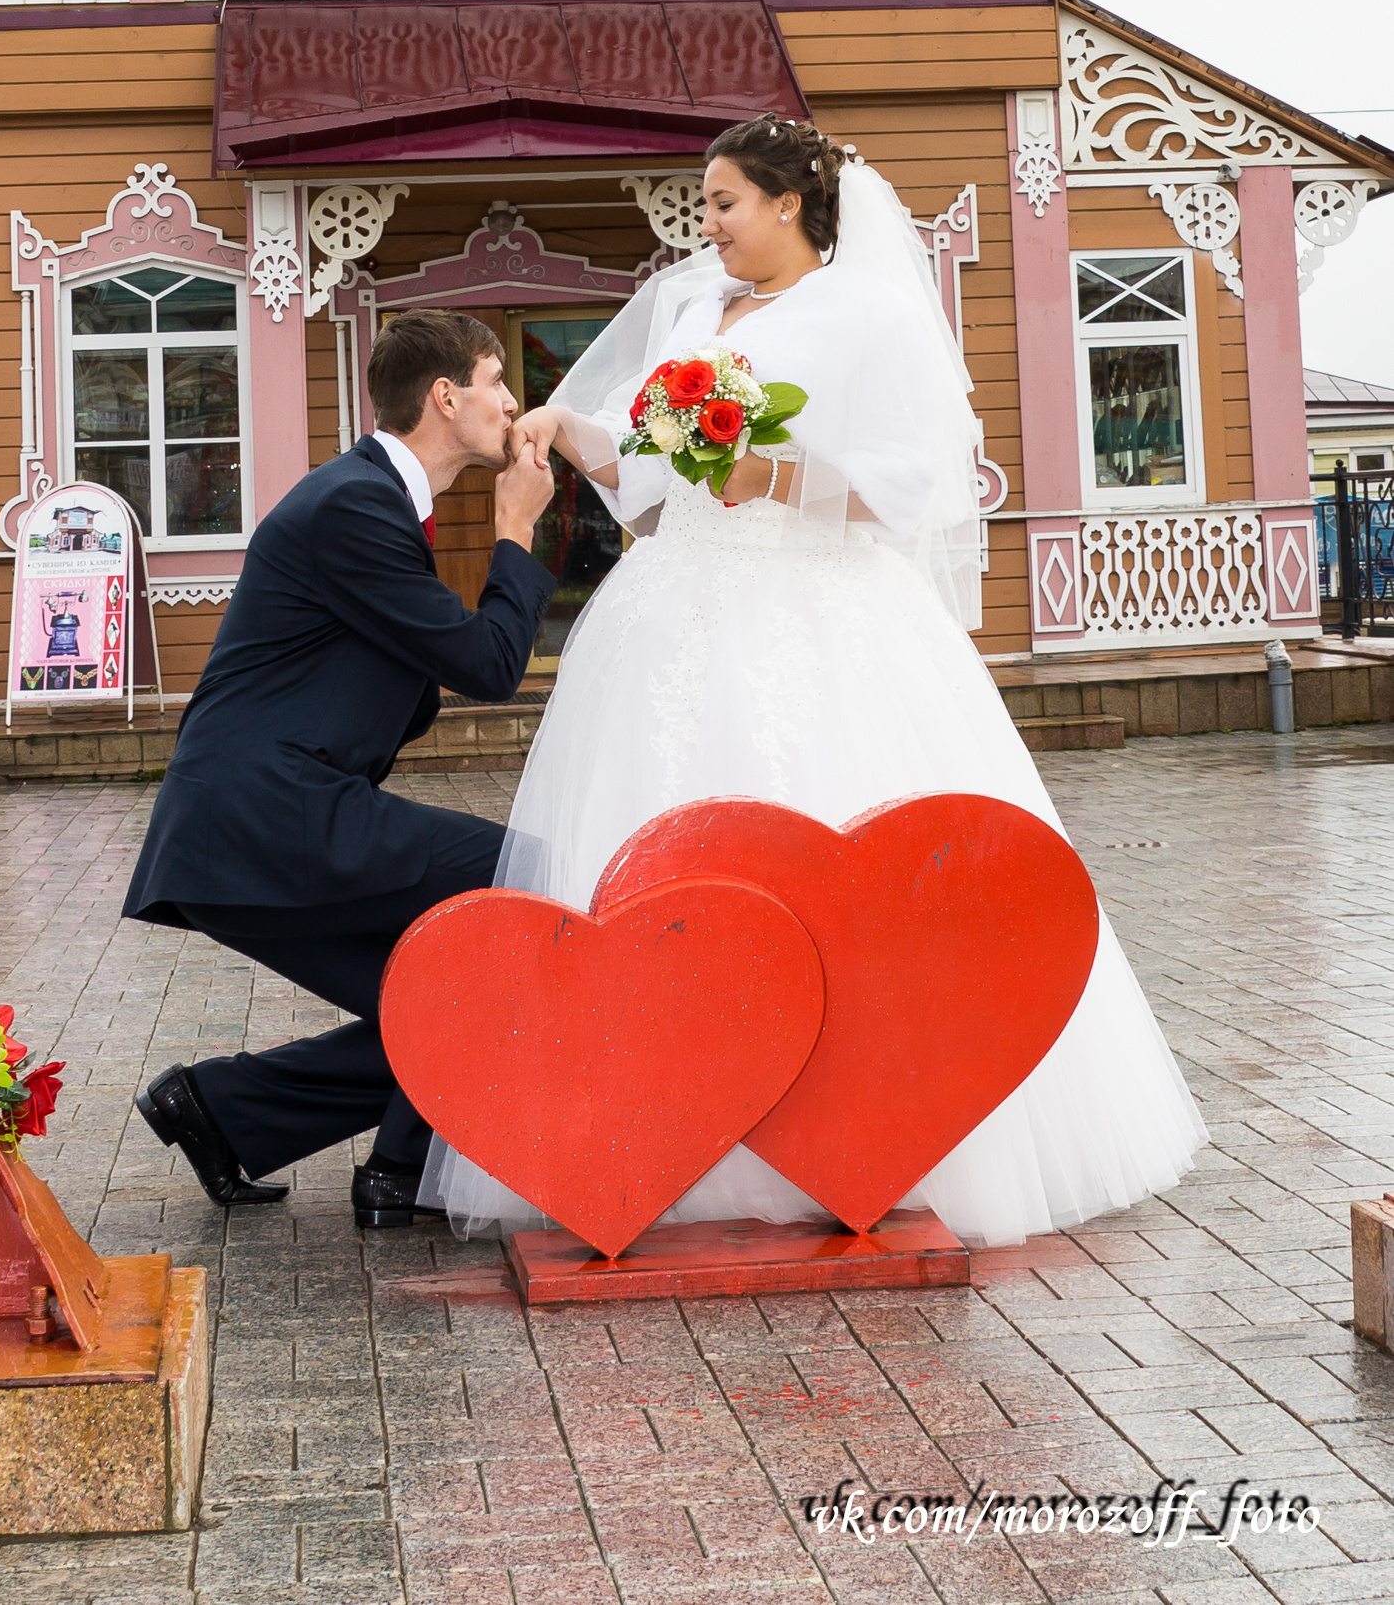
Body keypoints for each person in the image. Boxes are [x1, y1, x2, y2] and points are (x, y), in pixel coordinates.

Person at [426, 115, 1207, 1249]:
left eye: (724, 203)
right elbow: (648, 479)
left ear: (789, 203)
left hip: (816, 609)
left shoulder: (868, 315)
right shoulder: (692, 309)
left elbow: (917, 485)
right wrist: (570, 428)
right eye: (704, 205)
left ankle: (860, 1122)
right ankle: (659, 1122)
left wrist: (778, 474)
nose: (707, 226)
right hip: (673, 612)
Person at [123, 307, 558, 1229]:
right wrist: (516, 528)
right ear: (446, 397)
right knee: (524, 886)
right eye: (497, 380)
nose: (512, 404)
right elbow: (487, 665)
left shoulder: (370, 499)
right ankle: (397, 1169)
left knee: (448, 994)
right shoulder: (354, 505)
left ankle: (229, 1111)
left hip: (264, 814)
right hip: (265, 815)